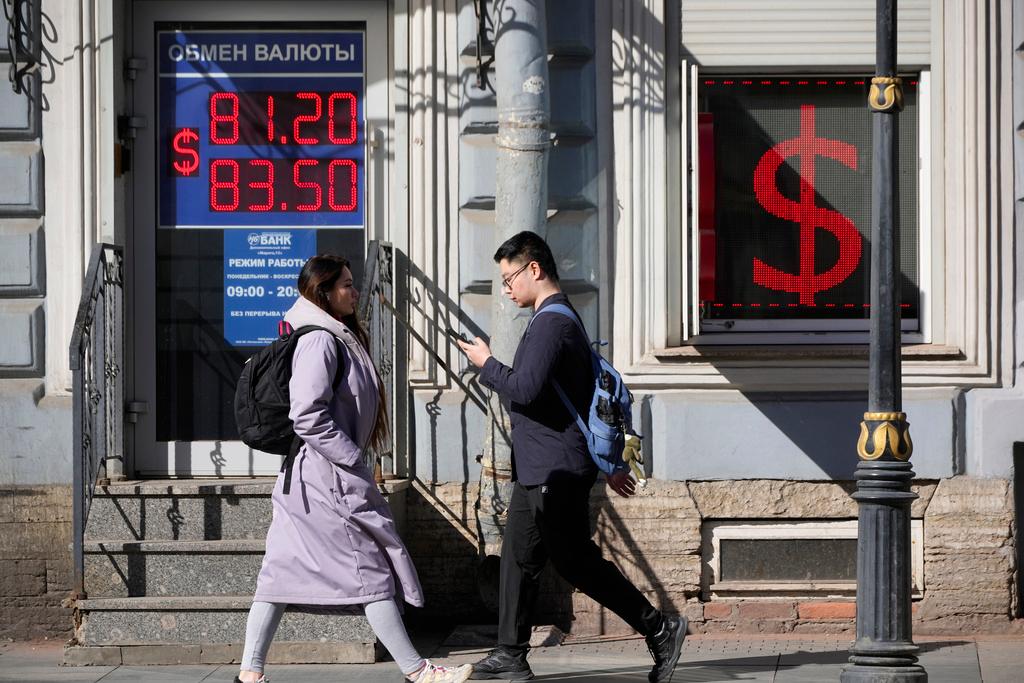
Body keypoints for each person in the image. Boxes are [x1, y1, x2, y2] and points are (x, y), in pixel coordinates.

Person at [456, 232, 687, 683]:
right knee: (518, 559)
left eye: (509, 278)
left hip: (555, 470)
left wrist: (486, 363)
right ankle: (510, 652)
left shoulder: (551, 324)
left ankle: (659, 627)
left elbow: (524, 388)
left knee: (575, 561)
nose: (506, 289)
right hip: (539, 466)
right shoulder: (557, 320)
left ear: (534, 269)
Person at [236, 255, 471, 683]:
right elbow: (307, 414)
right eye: (346, 285)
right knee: (370, 569)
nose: (355, 291)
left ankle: (250, 675)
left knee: (278, 574)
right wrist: (352, 458)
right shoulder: (321, 341)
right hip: (327, 480)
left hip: (309, 478)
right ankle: (418, 671)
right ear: (323, 292)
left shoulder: (333, 335)